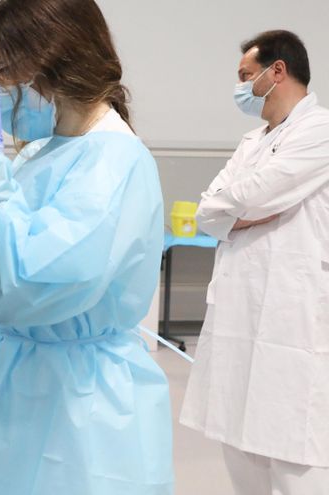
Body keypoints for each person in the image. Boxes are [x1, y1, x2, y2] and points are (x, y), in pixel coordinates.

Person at [0, 1, 174, 493]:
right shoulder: (47, 153)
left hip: (74, 409)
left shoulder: (114, 162)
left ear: (53, 58)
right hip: (19, 383)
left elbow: (36, 284)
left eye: (3, 73)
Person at [180, 30, 329, 494]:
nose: (240, 87)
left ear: (277, 71)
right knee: (238, 438)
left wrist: (234, 210)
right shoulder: (252, 141)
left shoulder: (320, 130)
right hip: (240, 313)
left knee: (292, 446)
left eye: (246, 76)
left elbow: (255, 193)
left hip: (292, 316)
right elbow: (209, 210)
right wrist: (235, 213)